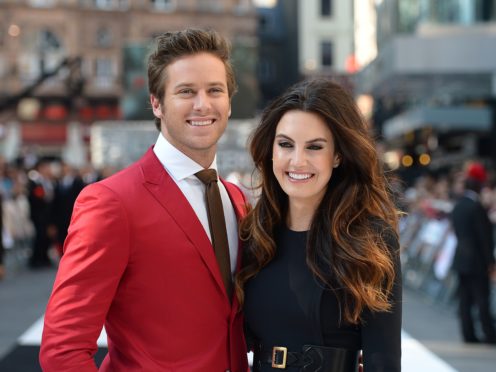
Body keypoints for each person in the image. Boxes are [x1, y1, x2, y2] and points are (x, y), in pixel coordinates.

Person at [40, 29, 249, 371]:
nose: (203, 104)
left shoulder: (236, 199)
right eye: (186, 91)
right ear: (156, 103)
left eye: (215, 90)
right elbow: (62, 349)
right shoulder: (111, 202)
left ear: (229, 101)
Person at [236, 79, 402, 371]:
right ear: (271, 150)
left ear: (337, 155)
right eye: (286, 144)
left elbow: (383, 359)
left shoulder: (370, 239)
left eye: (314, 147)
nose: (297, 161)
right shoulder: (254, 234)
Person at [450, 162, 496, 345]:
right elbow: (484, 238)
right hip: (476, 260)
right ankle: (489, 334)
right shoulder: (476, 207)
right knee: (482, 298)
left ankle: (468, 334)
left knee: (465, 300)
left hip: (461, 258)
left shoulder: (459, 205)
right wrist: (490, 262)